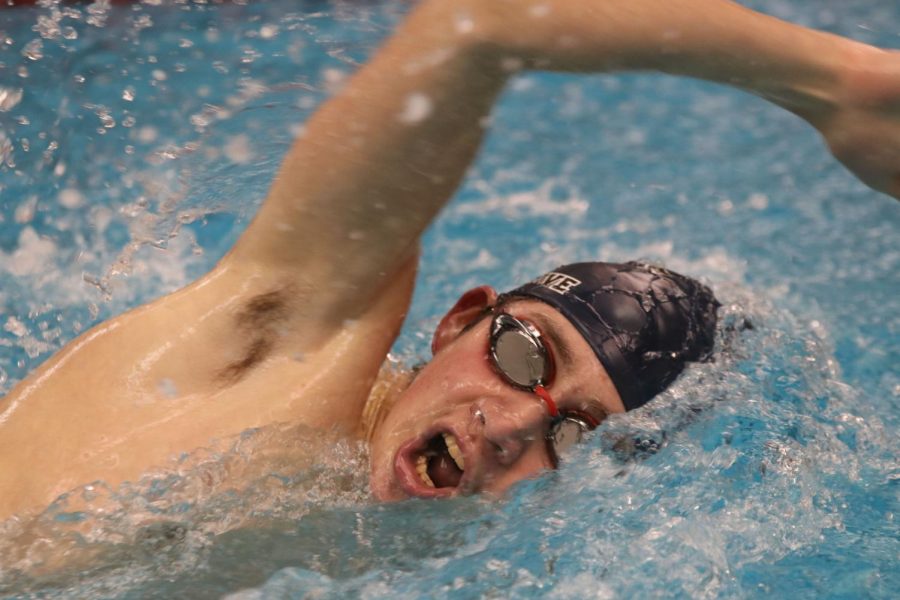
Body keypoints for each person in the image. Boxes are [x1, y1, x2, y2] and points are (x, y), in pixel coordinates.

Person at [0, 0, 898, 518]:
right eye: (524, 356)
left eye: (573, 433)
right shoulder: (288, 346)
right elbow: (481, 24)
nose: (511, 428)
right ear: (459, 320)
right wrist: (836, 87)